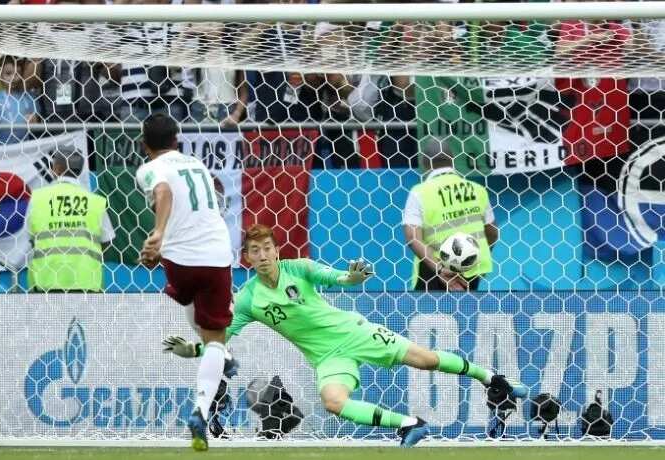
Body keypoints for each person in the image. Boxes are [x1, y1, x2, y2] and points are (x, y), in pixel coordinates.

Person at [164, 224, 528, 447]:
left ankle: (491, 378)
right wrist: (193, 349)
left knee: (426, 359)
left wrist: (352, 278)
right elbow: (223, 338)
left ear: (277, 251)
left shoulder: (300, 268)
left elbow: (338, 277)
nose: (262, 256)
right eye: (254, 252)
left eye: (267, 249)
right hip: (327, 358)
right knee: (333, 402)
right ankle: (409, 425)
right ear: (246, 258)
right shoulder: (246, 300)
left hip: (355, 333)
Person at [135, 113, 234, 451]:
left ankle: (217, 356)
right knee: (216, 338)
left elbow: (163, 191)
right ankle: (201, 410)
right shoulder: (196, 164)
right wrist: (160, 235)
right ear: (177, 141)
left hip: (179, 262)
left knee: (193, 302)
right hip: (216, 255)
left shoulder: (147, 169)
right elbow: (169, 194)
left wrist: (158, 236)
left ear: (144, 144)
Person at [403, 153, 497, 291]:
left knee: (432, 312)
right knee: (465, 311)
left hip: (434, 271)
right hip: (471, 269)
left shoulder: (419, 192)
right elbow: (493, 234)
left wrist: (440, 268)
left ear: (424, 164)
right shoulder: (477, 189)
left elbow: (412, 238)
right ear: (453, 160)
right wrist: (471, 257)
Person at [26, 149, 115, 292]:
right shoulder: (95, 202)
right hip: (87, 281)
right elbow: (107, 241)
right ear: (79, 171)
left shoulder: (37, 199)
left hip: (45, 282)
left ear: (56, 168)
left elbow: (31, 239)